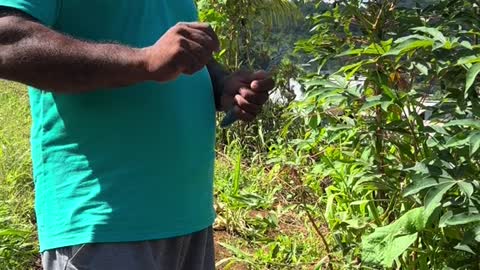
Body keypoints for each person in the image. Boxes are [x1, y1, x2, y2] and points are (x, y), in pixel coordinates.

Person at [0, 1, 274, 269]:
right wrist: (143, 62)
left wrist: (221, 84)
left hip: (190, 220)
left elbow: (169, 52)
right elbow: (7, 39)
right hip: (105, 222)